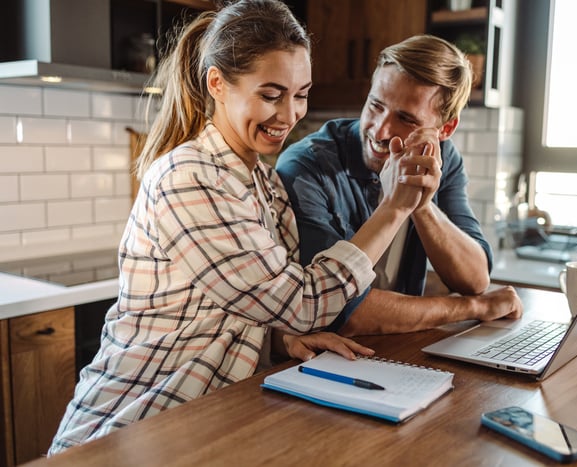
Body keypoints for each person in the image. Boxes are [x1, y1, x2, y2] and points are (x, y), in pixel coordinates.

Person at [49, 0, 428, 454]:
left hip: (200, 424)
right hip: (125, 430)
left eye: (301, 94)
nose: (289, 115)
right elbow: (303, 302)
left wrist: (283, 339)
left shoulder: (262, 182)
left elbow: (237, 310)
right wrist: (393, 209)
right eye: (271, 95)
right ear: (218, 85)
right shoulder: (189, 177)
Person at [276, 34, 523, 336]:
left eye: (406, 119)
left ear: (445, 129)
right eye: (375, 105)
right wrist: (475, 308)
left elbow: (475, 279)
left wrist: (422, 205)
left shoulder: (441, 159)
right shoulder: (306, 166)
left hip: (399, 350)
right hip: (319, 360)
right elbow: (336, 310)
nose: (381, 130)